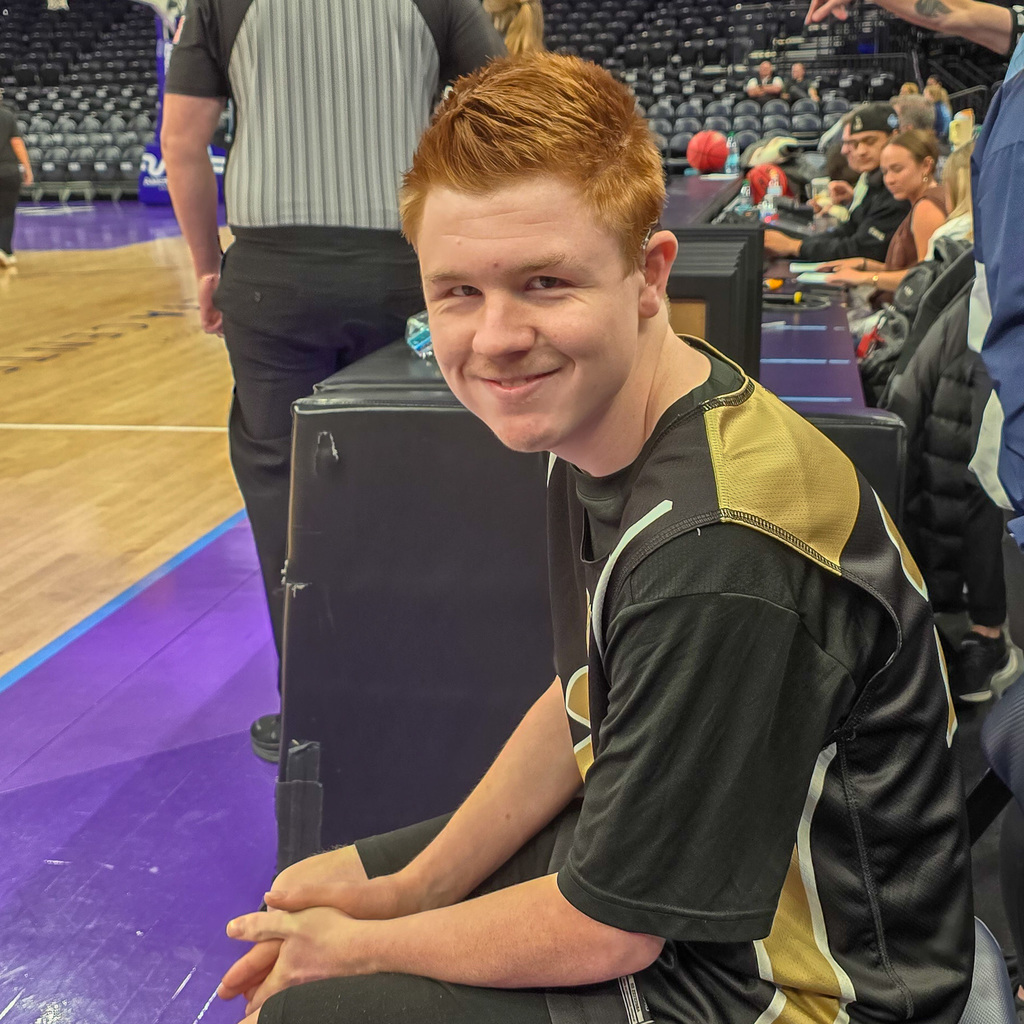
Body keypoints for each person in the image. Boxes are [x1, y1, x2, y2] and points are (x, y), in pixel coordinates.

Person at [217, 52, 972, 1024]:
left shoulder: (718, 552)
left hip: (811, 990)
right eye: (456, 291)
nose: (496, 337)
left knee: (312, 1006)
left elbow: (611, 931)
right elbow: (581, 696)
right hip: (714, 905)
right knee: (314, 891)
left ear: (649, 274)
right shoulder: (613, 418)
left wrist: (357, 951)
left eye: (544, 281)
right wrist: (410, 888)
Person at [162, 0, 504, 762]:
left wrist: (208, 267)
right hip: (405, 272)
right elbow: (508, 108)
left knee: (286, 489)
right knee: (420, 478)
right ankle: (434, 694)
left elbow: (181, 143)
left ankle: (316, 710)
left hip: (272, 281)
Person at [763, 103, 910, 261]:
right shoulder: (876, 182)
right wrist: (799, 244)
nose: (860, 151)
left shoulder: (900, 187)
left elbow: (864, 249)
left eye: (870, 141)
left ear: (894, 137)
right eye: (854, 143)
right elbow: (849, 230)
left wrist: (795, 246)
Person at [821, 129, 947, 295]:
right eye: (885, 172)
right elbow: (908, 269)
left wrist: (865, 278)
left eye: (897, 169)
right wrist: (863, 264)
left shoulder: (927, 208)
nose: (889, 180)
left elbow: (924, 280)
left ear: (926, 166)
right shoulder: (925, 201)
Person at [0, 88, 32, 269]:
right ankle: (5, 251)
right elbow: (17, 142)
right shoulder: (7, 115)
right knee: (7, 213)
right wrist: (27, 168)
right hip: (9, 171)